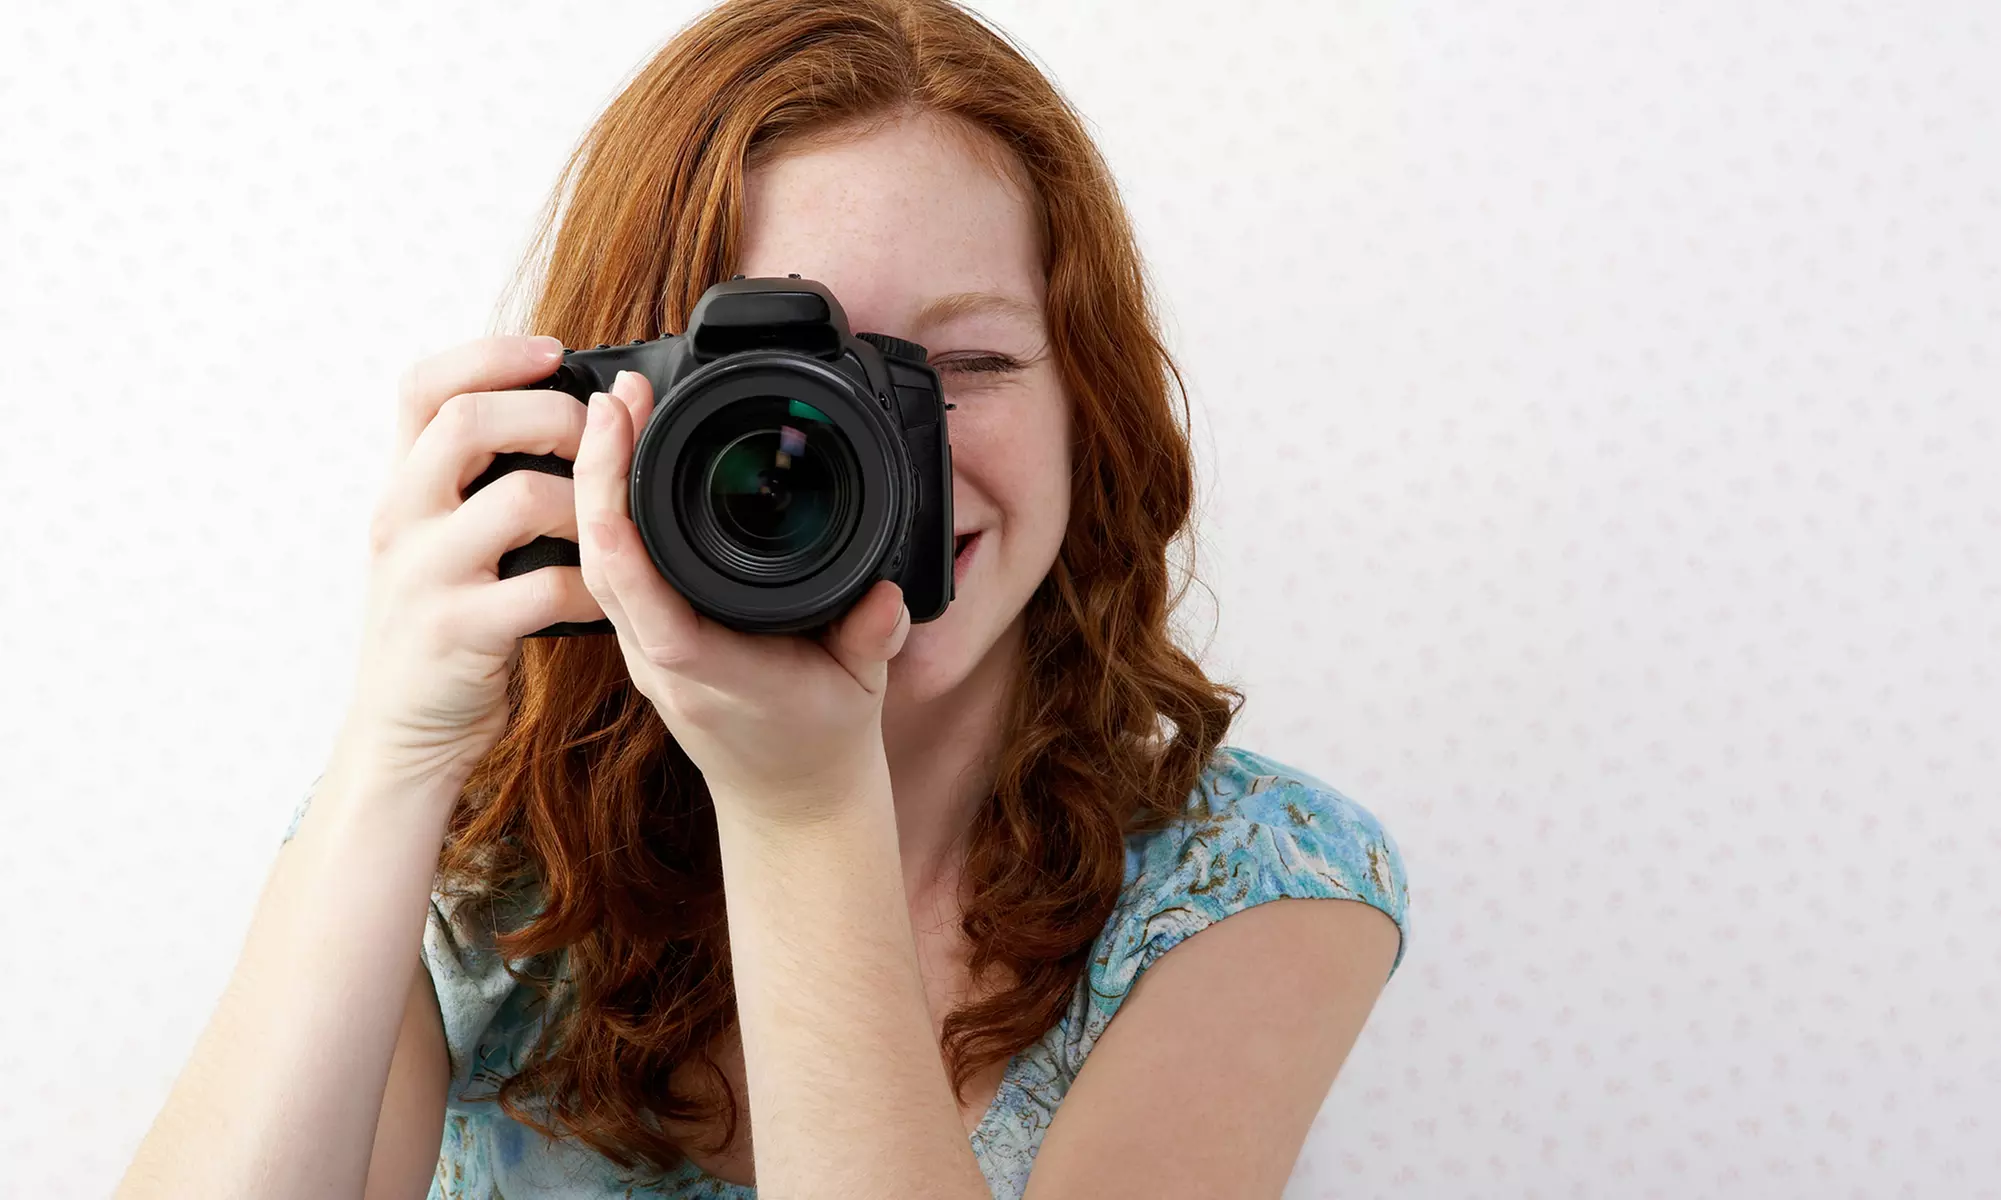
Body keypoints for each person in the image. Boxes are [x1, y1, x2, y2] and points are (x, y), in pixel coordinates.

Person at [115, 1, 1410, 1196]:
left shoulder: (1258, 884)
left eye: (967, 361)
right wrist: (397, 754)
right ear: (610, 429)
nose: (886, 457)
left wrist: (801, 807)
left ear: (1095, 411)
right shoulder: (473, 846)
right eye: (772, 385)